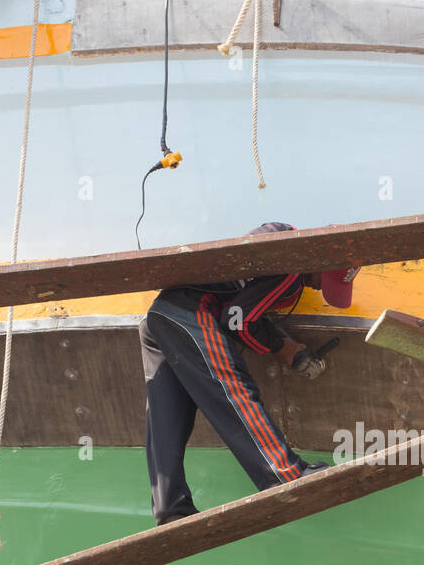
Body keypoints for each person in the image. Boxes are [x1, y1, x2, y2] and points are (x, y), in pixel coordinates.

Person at [139, 221, 358, 524]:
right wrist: (281, 347)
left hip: (160, 316)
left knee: (166, 416)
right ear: (318, 258)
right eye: (326, 280)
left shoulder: (276, 240)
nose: (321, 288)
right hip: (191, 312)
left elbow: (242, 306)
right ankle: (286, 477)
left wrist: (281, 342)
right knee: (234, 390)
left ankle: (169, 506)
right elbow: (235, 321)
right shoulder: (292, 271)